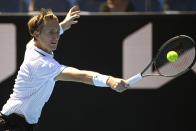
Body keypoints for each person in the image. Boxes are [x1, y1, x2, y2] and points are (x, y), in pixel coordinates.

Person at [0, 6, 129, 131]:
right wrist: (109, 80)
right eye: (51, 32)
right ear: (36, 34)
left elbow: (49, 33)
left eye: (57, 32)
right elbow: (80, 76)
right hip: (11, 124)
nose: (56, 36)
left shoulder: (32, 46)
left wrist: (63, 25)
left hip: (25, 123)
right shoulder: (41, 64)